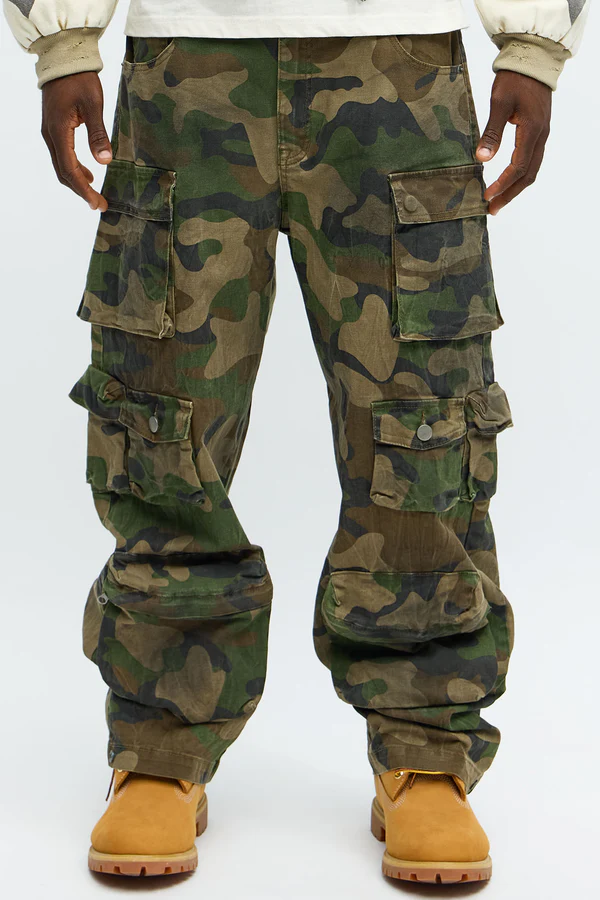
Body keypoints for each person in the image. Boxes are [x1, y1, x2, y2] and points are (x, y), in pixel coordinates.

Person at [4, 0, 588, 885]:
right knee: (159, 415)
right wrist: (64, 38)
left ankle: (425, 747)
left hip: (403, 59)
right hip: (187, 60)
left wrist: (534, 42)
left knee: (423, 424)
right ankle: (163, 741)